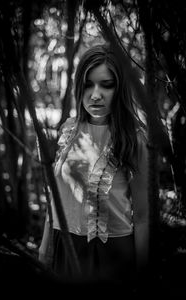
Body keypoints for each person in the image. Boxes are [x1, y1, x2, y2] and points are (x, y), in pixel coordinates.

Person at [38, 43, 149, 286]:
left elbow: (141, 217)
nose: (95, 94)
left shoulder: (134, 139)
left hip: (111, 255)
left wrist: (141, 275)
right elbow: (56, 199)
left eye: (106, 85)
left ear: (118, 89)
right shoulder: (68, 130)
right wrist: (45, 246)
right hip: (64, 247)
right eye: (88, 84)